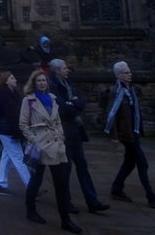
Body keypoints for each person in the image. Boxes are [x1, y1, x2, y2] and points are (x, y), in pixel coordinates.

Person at [19, 69, 82, 233]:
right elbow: (23, 125)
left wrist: (61, 137)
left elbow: (58, 120)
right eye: (38, 81)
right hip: (40, 146)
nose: (41, 83)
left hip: (55, 144)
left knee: (61, 183)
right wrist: (35, 141)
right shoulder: (29, 101)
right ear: (34, 83)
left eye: (43, 80)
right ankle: (30, 210)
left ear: (47, 83)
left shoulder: (53, 98)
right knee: (36, 180)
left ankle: (65, 220)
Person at [104, 61, 155, 210]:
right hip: (127, 135)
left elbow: (133, 112)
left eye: (129, 72)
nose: (129, 74)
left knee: (130, 162)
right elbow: (111, 114)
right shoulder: (117, 91)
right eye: (126, 73)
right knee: (142, 163)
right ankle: (151, 197)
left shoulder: (129, 90)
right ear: (118, 75)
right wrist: (114, 136)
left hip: (134, 131)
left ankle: (116, 188)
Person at [49, 59, 109, 214]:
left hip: (75, 131)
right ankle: (65, 202)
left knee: (82, 166)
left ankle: (92, 201)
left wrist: (73, 104)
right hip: (63, 133)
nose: (67, 70)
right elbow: (62, 109)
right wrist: (73, 104)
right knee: (65, 169)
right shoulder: (53, 86)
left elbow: (82, 101)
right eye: (64, 68)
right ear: (56, 71)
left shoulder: (69, 84)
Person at [0, 70, 32, 196]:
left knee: (7, 156)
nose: (15, 80)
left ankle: (1, 183)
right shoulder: (3, 95)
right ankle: (32, 188)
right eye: (12, 78)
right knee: (19, 158)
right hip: (7, 130)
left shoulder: (15, 93)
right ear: (6, 81)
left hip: (11, 129)